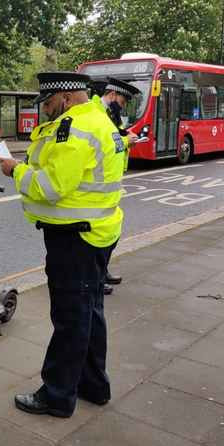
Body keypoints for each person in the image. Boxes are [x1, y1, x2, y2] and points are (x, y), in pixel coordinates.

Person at [0, 72, 127, 418]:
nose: (45, 110)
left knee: (70, 318)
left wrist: (15, 170)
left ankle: (57, 395)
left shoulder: (75, 128)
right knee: (89, 313)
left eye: (49, 103)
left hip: (76, 239)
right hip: (96, 233)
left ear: (66, 98)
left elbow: (50, 187)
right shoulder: (99, 120)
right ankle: (93, 385)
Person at [97, 77, 141, 295]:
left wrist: (127, 136)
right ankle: (96, 278)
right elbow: (107, 142)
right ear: (112, 95)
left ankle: (102, 271)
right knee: (99, 235)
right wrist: (126, 141)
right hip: (99, 181)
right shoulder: (98, 113)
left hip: (111, 180)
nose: (122, 107)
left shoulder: (112, 114)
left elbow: (118, 135)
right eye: (123, 102)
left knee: (111, 234)